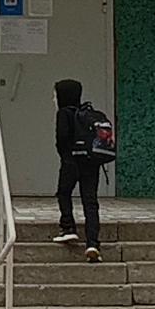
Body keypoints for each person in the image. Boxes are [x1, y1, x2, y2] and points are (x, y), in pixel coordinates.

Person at [50, 78, 115, 258]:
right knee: (90, 202)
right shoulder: (87, 113)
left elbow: (61, 138)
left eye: (55, 95)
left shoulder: (64, 113)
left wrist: (66, 157)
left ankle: (68, 227)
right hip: (91, 163)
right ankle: (93, 244)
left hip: (71, 162)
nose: (53, 99)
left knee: (63, 193)